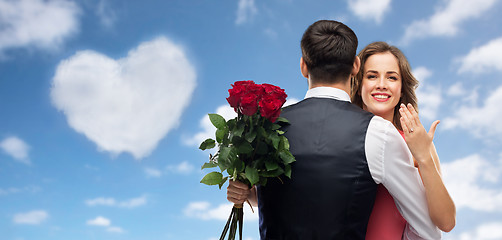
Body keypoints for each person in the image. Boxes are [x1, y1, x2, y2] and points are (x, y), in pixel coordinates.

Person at [227, 20, 441, 239]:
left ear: (303, 66)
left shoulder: (267, 127)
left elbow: (278, 199)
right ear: (356, 66)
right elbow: (428, 230)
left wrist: (248, 194)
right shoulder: (379, 132)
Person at [350, 41, 456, 239]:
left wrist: (424, 156)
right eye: (372, 76)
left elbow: (446, 222)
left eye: (392, 77)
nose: (381, 84)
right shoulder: (344, 137)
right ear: (358, 84)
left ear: (401, 87)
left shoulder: (417, 143)